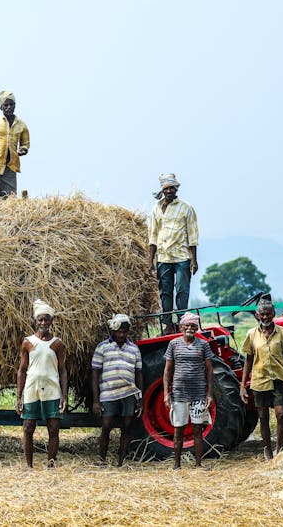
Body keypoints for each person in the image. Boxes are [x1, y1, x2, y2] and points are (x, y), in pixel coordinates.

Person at [240, 295, 283, 460]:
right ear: (257, 315)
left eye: (268, 314)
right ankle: (267, 449)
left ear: (273, 314)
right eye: (262, 314)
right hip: (260, 381)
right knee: (263, 416)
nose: (265, 317)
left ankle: (280, 448)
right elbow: (248, 360)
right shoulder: (252, 334)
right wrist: (242, 385)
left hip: (279, 379)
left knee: (281, 414)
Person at [16, 298, 68, 468]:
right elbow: (22, 370)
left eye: (47, 319)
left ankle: (50, 465)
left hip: (52, 390)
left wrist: (64, 395)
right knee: (28, 427)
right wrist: (19, 397)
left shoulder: (57, 344)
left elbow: (62, 370)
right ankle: (29, 466)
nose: (43, 323)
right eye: (40, 320)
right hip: (32, 389)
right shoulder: (28, 342)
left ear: (52, 321)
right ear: (35, 321)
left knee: (53, 428)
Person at [147, 173, 199, 334]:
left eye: (172, 188)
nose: (169, 191)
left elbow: (193, 235)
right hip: (163, 257)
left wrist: (194, 260)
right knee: (165, 292)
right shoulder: (156, 208)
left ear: (176, 188)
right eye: (166, 188)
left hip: (182, 256)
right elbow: (153, 235)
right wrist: (150, 260)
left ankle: (183, 323)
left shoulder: (186, 208)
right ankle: (168, 325)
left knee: (182, 290)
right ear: (162, 190)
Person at [90, 314, 144, 467]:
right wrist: (96, 401)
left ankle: (121, 462)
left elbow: (139, 374)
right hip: (108, 392)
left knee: (126, 427)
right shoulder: (102, 347)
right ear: (113, 331)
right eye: (119, 332)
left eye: (124, 332)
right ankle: (102, 460)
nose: (121, 335)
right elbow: (95, 374)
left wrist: (141, 398)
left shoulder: (134, 349)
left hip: (129, 392)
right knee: (106, 425)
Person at [163, 313, 214, 469]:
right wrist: (166, 393)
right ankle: (176, 465)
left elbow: (209, 370)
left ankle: (198, 465)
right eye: (187, 325)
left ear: (197, 328)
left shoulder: (203, 345)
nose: (190, 328)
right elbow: (167, 371)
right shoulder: (173, 344)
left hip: (198, 393)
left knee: (198, 429)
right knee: (178, 430)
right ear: (181, 327)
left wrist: (209, 394)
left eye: (193, 326)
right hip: (179, 394)